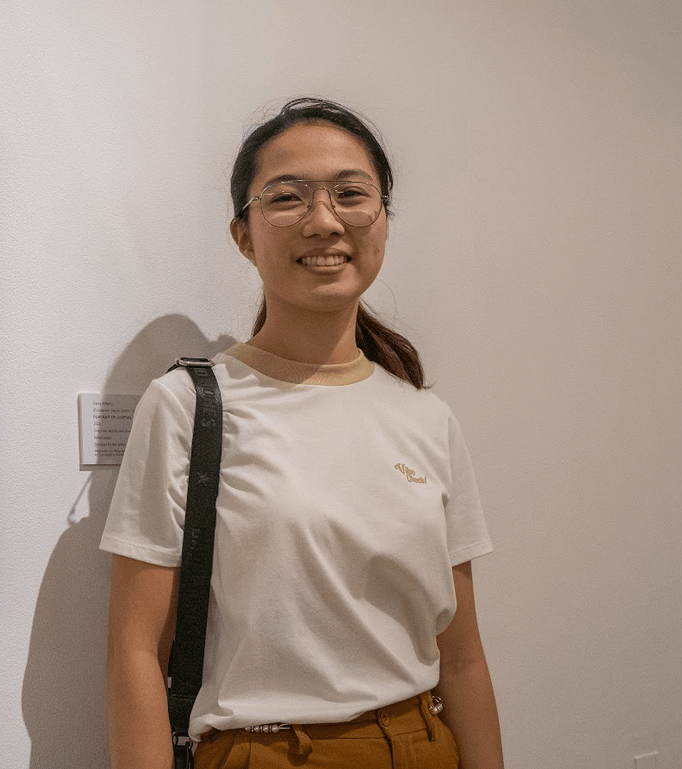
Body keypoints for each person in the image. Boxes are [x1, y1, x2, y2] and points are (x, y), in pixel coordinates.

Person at [102, 98, 504, 769]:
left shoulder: (425, 417)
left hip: (422, 742)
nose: (323, 220)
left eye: (350, 194)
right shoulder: (187, 406)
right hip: (266, 751)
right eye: (286, 197)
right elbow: (134, 652)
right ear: (243, 233)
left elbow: (461, 658)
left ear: (382, 220)